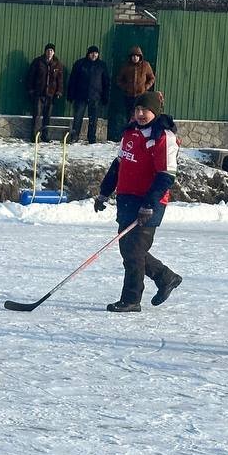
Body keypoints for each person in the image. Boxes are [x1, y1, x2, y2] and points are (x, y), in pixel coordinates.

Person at [94, 91, 182, 312]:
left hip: (150, 202)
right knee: (129, 249)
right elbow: (118, 166)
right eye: (137, 110)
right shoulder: (130, 133)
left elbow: (166, 175)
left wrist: (149, 204)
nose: (140, 114)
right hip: (127, 199)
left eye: (145, 110)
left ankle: (131, 299)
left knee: (134, 252)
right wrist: (104, 193)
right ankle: (165, 277)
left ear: (155, 111)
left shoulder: (164, 137)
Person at [67, 45, 110, 144]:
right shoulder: (80, 64)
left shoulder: (102, 65)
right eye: (92, 53)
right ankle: (74, 137)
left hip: (95, 96)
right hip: (80, 96)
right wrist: (71, 94)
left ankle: (91, 138)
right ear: (88, 54)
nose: (94, 55)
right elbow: (73, 80)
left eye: (96, 53)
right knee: (77, 118)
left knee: (93, 119)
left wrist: (105, 96)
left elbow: (106, 82)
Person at [113, 46, 155, 141]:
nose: (135, 58)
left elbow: (152, 78)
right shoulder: (126, 66)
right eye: (133, 56)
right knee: (130, 116)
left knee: (141, 116)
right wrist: (125, 88)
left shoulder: (145, 65)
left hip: (141, 96)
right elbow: (119, 79)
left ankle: (141, 135)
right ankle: (130, 135)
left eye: (137, 56)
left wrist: (146, 87)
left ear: (140, 57)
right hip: (129, 96)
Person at [26, 43, 65, 142]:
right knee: (37, 116)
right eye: (48, 50)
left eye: (51, 50)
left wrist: (59, 92)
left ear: (54, 52)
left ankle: (45, 135)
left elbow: (60, 80)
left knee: (47, 116)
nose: (49, 52)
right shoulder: (38, 62)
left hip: (51, 94)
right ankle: (35, 136)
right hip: (39, 93)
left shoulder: (57, 64)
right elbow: (31, 77)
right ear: (45, 51)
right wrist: (31, 89)